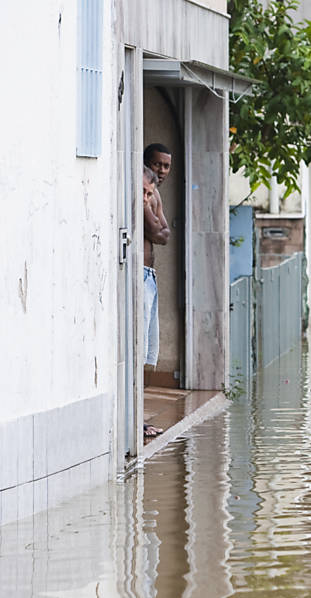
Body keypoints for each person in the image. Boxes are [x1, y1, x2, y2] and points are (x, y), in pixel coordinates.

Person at [143, 145, 171, 437]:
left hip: (149, 276)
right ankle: (136, 419)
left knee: (149, 356)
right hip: (139, 275)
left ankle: (141, 416)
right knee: (139, 354)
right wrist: (149, 214)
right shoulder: (141, 189)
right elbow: (156, 230)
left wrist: (151, 220)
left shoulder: (153, 194)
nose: (162, 171)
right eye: (157, 164)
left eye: (166, 166)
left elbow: (164, 235)